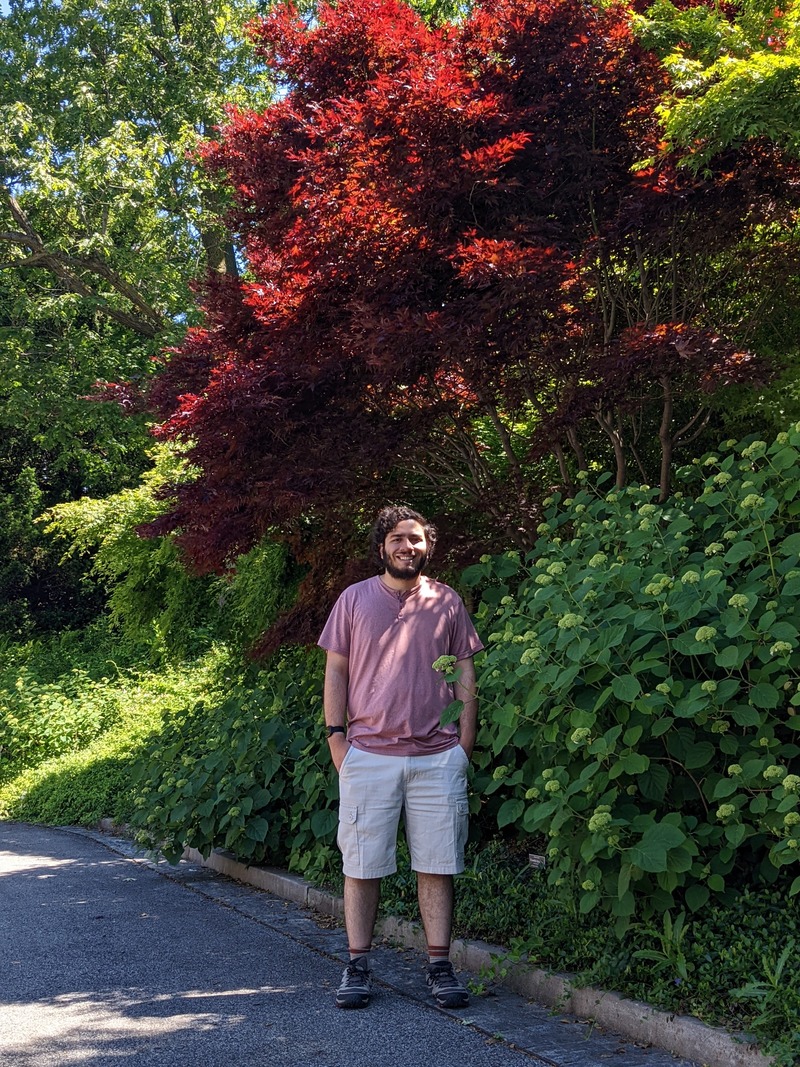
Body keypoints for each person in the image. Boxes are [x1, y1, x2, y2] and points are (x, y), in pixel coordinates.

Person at [318, 504, 483, 1011]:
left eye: (415, 539)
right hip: (368, 754)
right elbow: (336, 672)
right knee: (361, 865)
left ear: (427, 546)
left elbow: (465, 672)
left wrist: (464, 744)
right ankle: (357, 967)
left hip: (438, 756)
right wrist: (337, 740)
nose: (407, 547)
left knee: (438, 864)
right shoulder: (353, 599)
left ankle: (440, 967)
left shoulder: (446, 600)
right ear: (382, 546)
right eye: (397, 539)